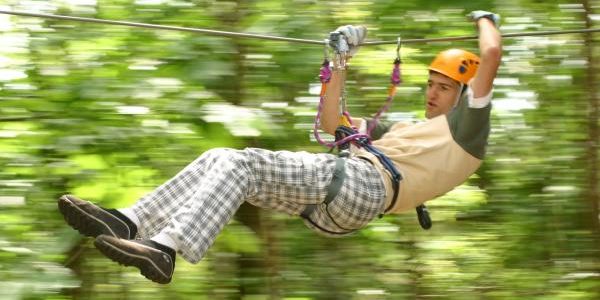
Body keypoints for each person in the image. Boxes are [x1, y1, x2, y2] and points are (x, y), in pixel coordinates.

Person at [57, 10, 502, 284]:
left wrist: (485, 17)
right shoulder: (402, 129)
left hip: (361, 187)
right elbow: (331, 127)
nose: (432, 93)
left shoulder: (468, 130)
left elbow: (492, 52)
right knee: (222, 160)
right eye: (430, 84)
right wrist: (337, 61)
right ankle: (129, 221)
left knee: (242, 165)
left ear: (465, 97)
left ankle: (166, 249)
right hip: (340, 205)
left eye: (445, 88)